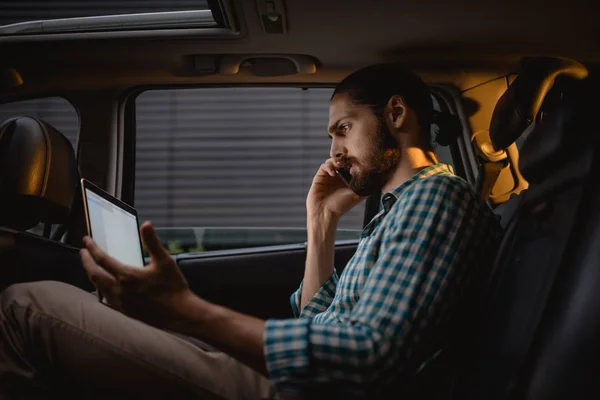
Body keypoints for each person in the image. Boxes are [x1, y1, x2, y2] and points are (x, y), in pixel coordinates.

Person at [0, 64, 501, 399]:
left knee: (24, 306)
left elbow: (371, 355)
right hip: (295, 379)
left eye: (343, 129)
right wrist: (321, 222)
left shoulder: (437, 199)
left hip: (299, 392)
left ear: (395, 114)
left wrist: (191, 313)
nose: (334, 152)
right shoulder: (396, 211)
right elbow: (316, 317)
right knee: (77, 303)